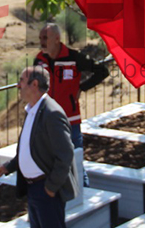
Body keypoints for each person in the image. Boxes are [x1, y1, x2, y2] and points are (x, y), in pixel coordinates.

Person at [0, 66, 78, 228]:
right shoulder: (32, 110)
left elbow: (65, 154)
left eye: (22, 81)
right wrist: (9, 167)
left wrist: (50, 187)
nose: (18, 86)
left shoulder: (51, 113)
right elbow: (30, 149)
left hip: (46, 190)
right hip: (33, 190)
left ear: (34, 84)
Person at [34, 23, 109, 151]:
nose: (41, 42)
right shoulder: (39, 60)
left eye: (45, 38)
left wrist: (82, 87)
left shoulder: (74, 57)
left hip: (70, 120)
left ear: (57, 39)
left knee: (76, 161)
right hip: (46, 121)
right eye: (40, 38)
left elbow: (102, 71)